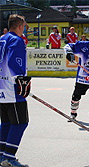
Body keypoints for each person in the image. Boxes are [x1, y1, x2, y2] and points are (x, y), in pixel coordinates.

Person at [0, 14, 31, 167]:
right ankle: (9, 157)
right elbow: (14, 62)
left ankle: (1, 156)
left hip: (1, 89)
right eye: (24, 26)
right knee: (20, 123)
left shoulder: (1, 38)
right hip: (12, 90)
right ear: (19, 26)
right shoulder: (16, 40)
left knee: (6, 122)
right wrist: (21, 80)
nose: (24, 29)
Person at [64, 31, 89, 120]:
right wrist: (69, 53)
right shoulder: (82, 45)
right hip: (82, 78)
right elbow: (68, 46)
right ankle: (73, 113)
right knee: (76, 96)